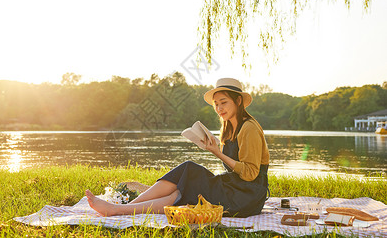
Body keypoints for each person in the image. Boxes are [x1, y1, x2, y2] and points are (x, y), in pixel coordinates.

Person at [85, 78, 270, 217]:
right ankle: (122, 208)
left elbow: (250, 174)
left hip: (246, 197)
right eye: (216, 104)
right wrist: (215, 149)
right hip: (235, 187)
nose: (219, 108)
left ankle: (118, 210)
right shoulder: (230, 128)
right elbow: (235, 169)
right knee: (186, 177)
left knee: (189, 176)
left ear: (238, 102)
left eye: (224, 102)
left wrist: (216, 153)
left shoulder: (249, 128)